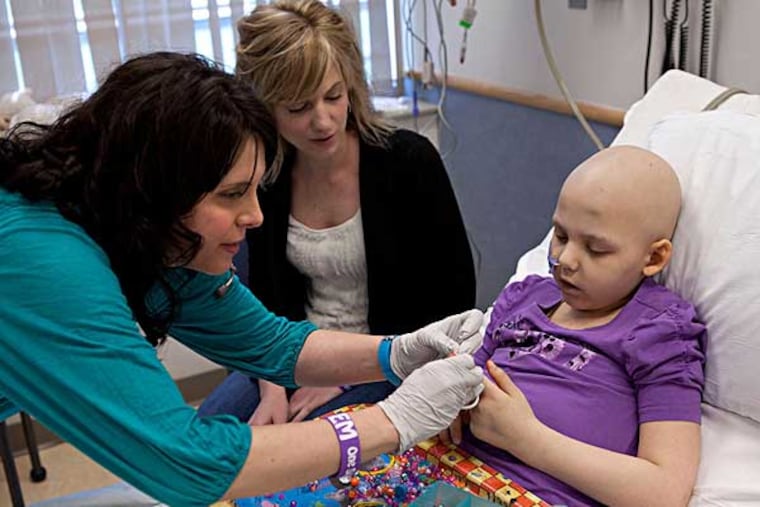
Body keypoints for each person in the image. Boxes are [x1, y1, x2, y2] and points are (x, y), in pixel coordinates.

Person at [0, 52, 486, 506]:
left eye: (254, 190)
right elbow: (185, 463)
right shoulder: (45, 262)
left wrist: (395, 353)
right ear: (152, 192)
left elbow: (272, 344)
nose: (254, 215)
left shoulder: (149, 235)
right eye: (232, 195)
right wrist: (392, 421)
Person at [198, 0, 476, 425]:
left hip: (392, 355)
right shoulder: (267, 178)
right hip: (291, 354)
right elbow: (264, 296)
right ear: (265, 107)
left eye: (333, 96)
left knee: (310, 443)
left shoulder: (407, 162)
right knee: (212, 433)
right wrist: (271, 387)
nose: (323, 121)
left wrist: (346, 373)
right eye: (298, 108)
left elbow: (451, 300)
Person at [445, 146, 706, 507]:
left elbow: (664, 493)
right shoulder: (522, 299)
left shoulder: (660, 333)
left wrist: (525, 437)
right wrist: (446, 395)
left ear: (654, 257)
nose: (565, 260)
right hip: (436, 472)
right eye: (561, 235)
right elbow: (462, 386)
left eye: (596, 249)